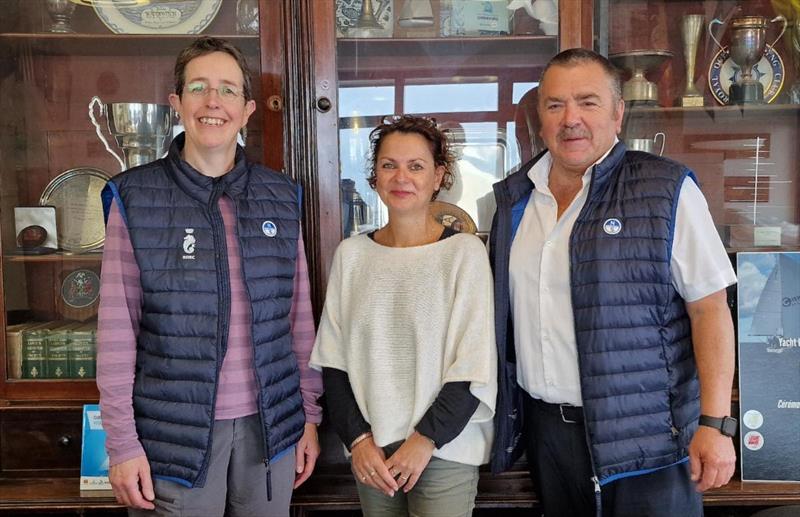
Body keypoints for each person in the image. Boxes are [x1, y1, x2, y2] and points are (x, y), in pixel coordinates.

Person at [488, 48, 738, 516]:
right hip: (548, 435)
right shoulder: (515, 199)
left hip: (646, 440)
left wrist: (716, 422)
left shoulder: (665, 189)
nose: (571, 119)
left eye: (588, 102)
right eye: (556, 105)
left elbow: (710, 308)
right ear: (540, 117)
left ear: (618, 113)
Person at [96, 36, 322, 517]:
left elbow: (299, 320)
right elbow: (116, 331)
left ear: (247, 109)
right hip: (172, 440)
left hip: (272, 432)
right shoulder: (135, 197)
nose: (213, 101)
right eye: (198, 87)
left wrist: (309, 417)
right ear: (177, 103)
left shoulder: (281, 197)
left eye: (227, 90)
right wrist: (121, 443)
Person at [310, 115, 497, 517]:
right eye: (389, 165)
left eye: (416, 166)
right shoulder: (351, 255)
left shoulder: (465, 253)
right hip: (372, 451)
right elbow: (334, 361)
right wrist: (358, 441)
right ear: (374, 176)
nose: (401, 177)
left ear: (438, 176)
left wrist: (424, 441)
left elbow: (473, 365)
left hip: (444, 449)